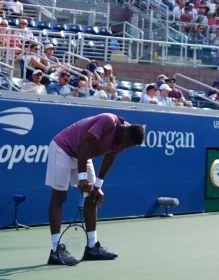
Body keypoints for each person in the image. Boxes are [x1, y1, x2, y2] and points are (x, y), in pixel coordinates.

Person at [45, 113, 146, 266]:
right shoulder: (108, 121)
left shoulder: (126, 139)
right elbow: (83, 145)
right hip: (63, 149)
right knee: (59, 197)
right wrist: (82, 177)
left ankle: (92, 247)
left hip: (83, 155)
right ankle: (55, 250)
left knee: (93, 197)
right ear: (124, 131)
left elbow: (109, 157)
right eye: (126, 143)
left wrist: (98, 186)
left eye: (129, 146)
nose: (125, 146)